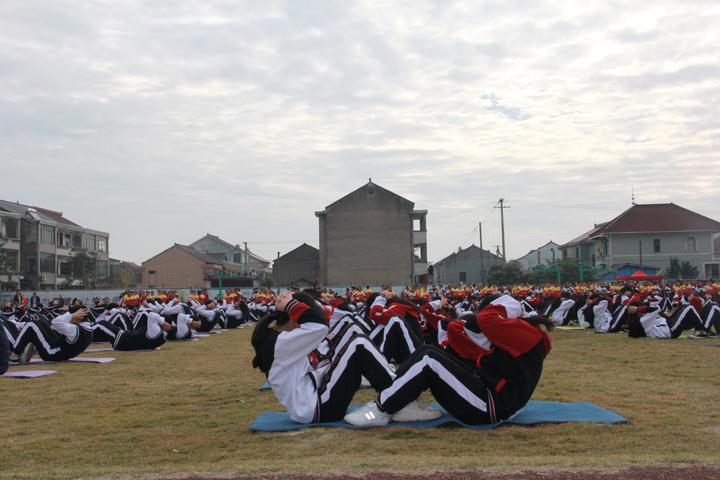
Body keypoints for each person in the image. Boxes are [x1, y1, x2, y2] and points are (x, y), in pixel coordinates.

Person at [344, 294, 553, 427]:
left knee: (429, 359)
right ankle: (404, 402)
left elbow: (485, 319)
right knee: (428, 350)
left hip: (492, 408)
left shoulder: (526, 333)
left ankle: (380, 409)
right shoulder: (519, 335)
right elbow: (456, 329)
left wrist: (511, 303)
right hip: (490, 398)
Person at [251, 291, 439, 424]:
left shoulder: (278, 339)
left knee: (355, 339)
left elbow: (322, 324)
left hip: (315, 400)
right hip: (317, 409)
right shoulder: (279, 343)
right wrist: (293, 304)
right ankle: (401, 402)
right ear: (295, 318)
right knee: (359, 345)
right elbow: (319, 326)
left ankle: (400, 398)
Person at [12, 306, 92, 363]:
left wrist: (71, 315)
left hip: (51, 354)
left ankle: (15, 354)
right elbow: (55, 326)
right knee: (41, 323)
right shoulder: (88, 330)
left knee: (31, 324)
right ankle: (32, 343)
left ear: (78, 317)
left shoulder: (74, 330)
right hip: (60, 353)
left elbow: (55, 322)